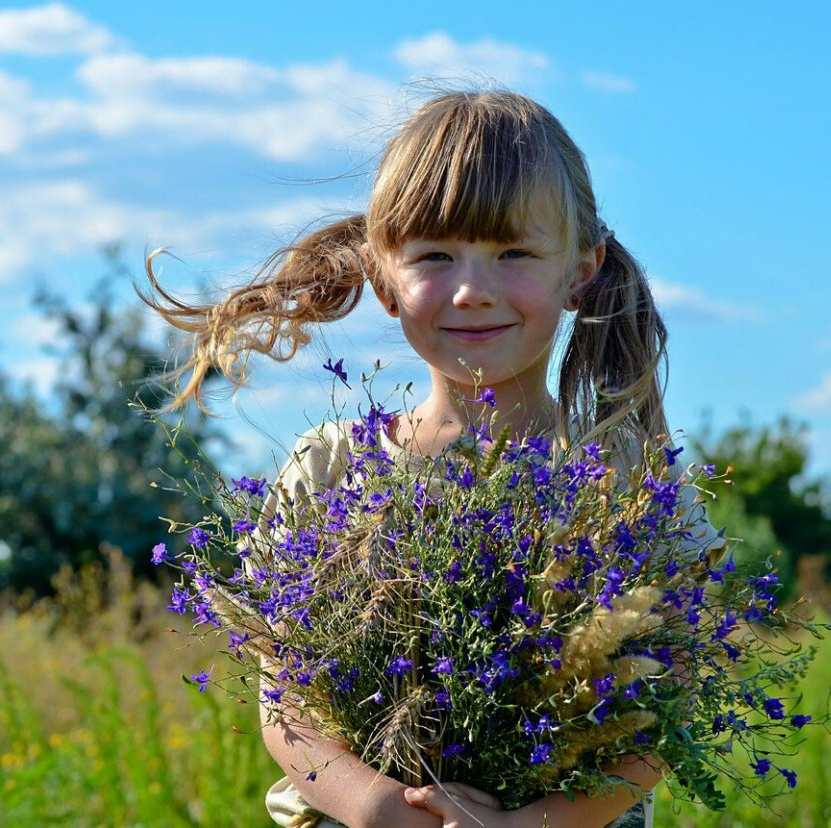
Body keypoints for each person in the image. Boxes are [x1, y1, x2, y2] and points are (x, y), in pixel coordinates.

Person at [142, 89, 726, 828]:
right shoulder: (333, 471)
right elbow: (282, 695)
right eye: (435, 257)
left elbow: (669, 697)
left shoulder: (629, 480)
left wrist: (535, 824)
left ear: (581, 270)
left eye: (514, 252)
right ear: (385, 282)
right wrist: (379, 807)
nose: (472, 291)